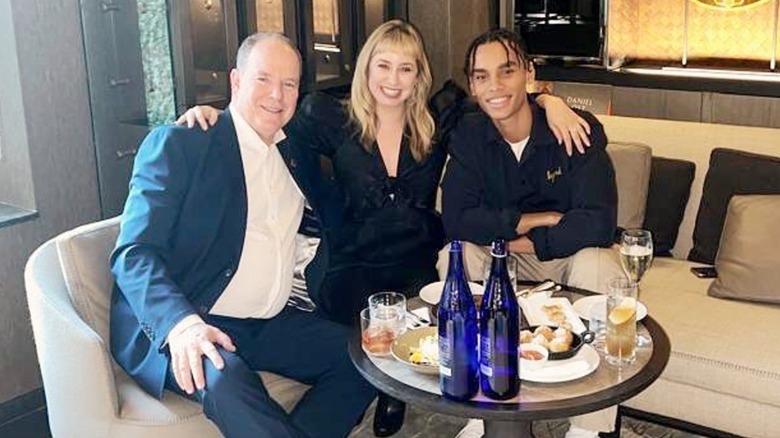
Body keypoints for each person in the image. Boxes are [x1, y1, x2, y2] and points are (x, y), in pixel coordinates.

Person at [179, 20, 590, 437]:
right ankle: (387, 384)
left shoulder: (439, 119)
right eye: (383, 66)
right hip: (352, 263)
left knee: (439, 312)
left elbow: (499, 98)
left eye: (406, 68)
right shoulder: (330, 118)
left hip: (416, 260)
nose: (393, 80)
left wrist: (548, 101)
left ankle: (400, 386)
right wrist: (214, 113)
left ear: (419, 75)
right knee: (361, 344)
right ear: (366, 69)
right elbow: (263, 122)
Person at [110, 33, 376, 438]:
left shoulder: (296, 154)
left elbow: (339, 215)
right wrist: (182, 325)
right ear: (235, 82)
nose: (276, 95)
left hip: (267, 323)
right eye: (263, 79)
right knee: (228, 382)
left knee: (361, 359)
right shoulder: (184, 144)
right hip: (194, 318)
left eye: (289, 84)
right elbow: (133, 253)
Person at [439, 29, 624, 438]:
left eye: (506, 72)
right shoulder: (470, 136)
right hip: (503, 252)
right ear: (472, 84)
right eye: (482, 76)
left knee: (599, 263)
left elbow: (597, 222)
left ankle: (589, 427)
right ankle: (481, 404)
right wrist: (538, 220)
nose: (495, 87)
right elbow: (457, 220)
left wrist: (520, 239)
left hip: (566, 252)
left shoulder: (575, 129)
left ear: (528, 73)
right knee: (457, 255)